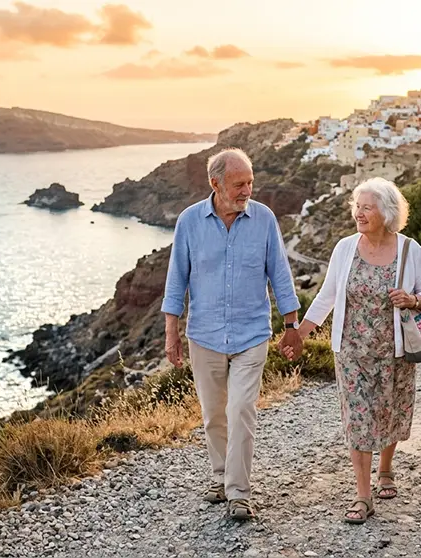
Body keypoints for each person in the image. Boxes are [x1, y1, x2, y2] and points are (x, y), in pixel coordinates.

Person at [282, 177, 421, 524]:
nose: (359, 213)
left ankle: (386, 469)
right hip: (351, 351)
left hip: (394, 351)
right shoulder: (345, 248)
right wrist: (300, 333)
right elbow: (328, 295)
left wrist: (414, 300)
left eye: (367, 207)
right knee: (358, 420)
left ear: (387, 212)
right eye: (357, 206)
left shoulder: (410, 250)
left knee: (390, 412)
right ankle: (364, 496)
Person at [161, 147, 303, 521]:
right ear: (216, 183)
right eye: (239, 184)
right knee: (213, 415)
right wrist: (170, 333)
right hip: (203, 334)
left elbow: (280, 275)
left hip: (251, 333)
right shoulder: (189, 222)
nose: (247, 191)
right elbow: (177, 280)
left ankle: (239, 493)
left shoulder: (264, 220)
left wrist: (291, 327)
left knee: (241, 409)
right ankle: (221, 477)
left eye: (250, 182)